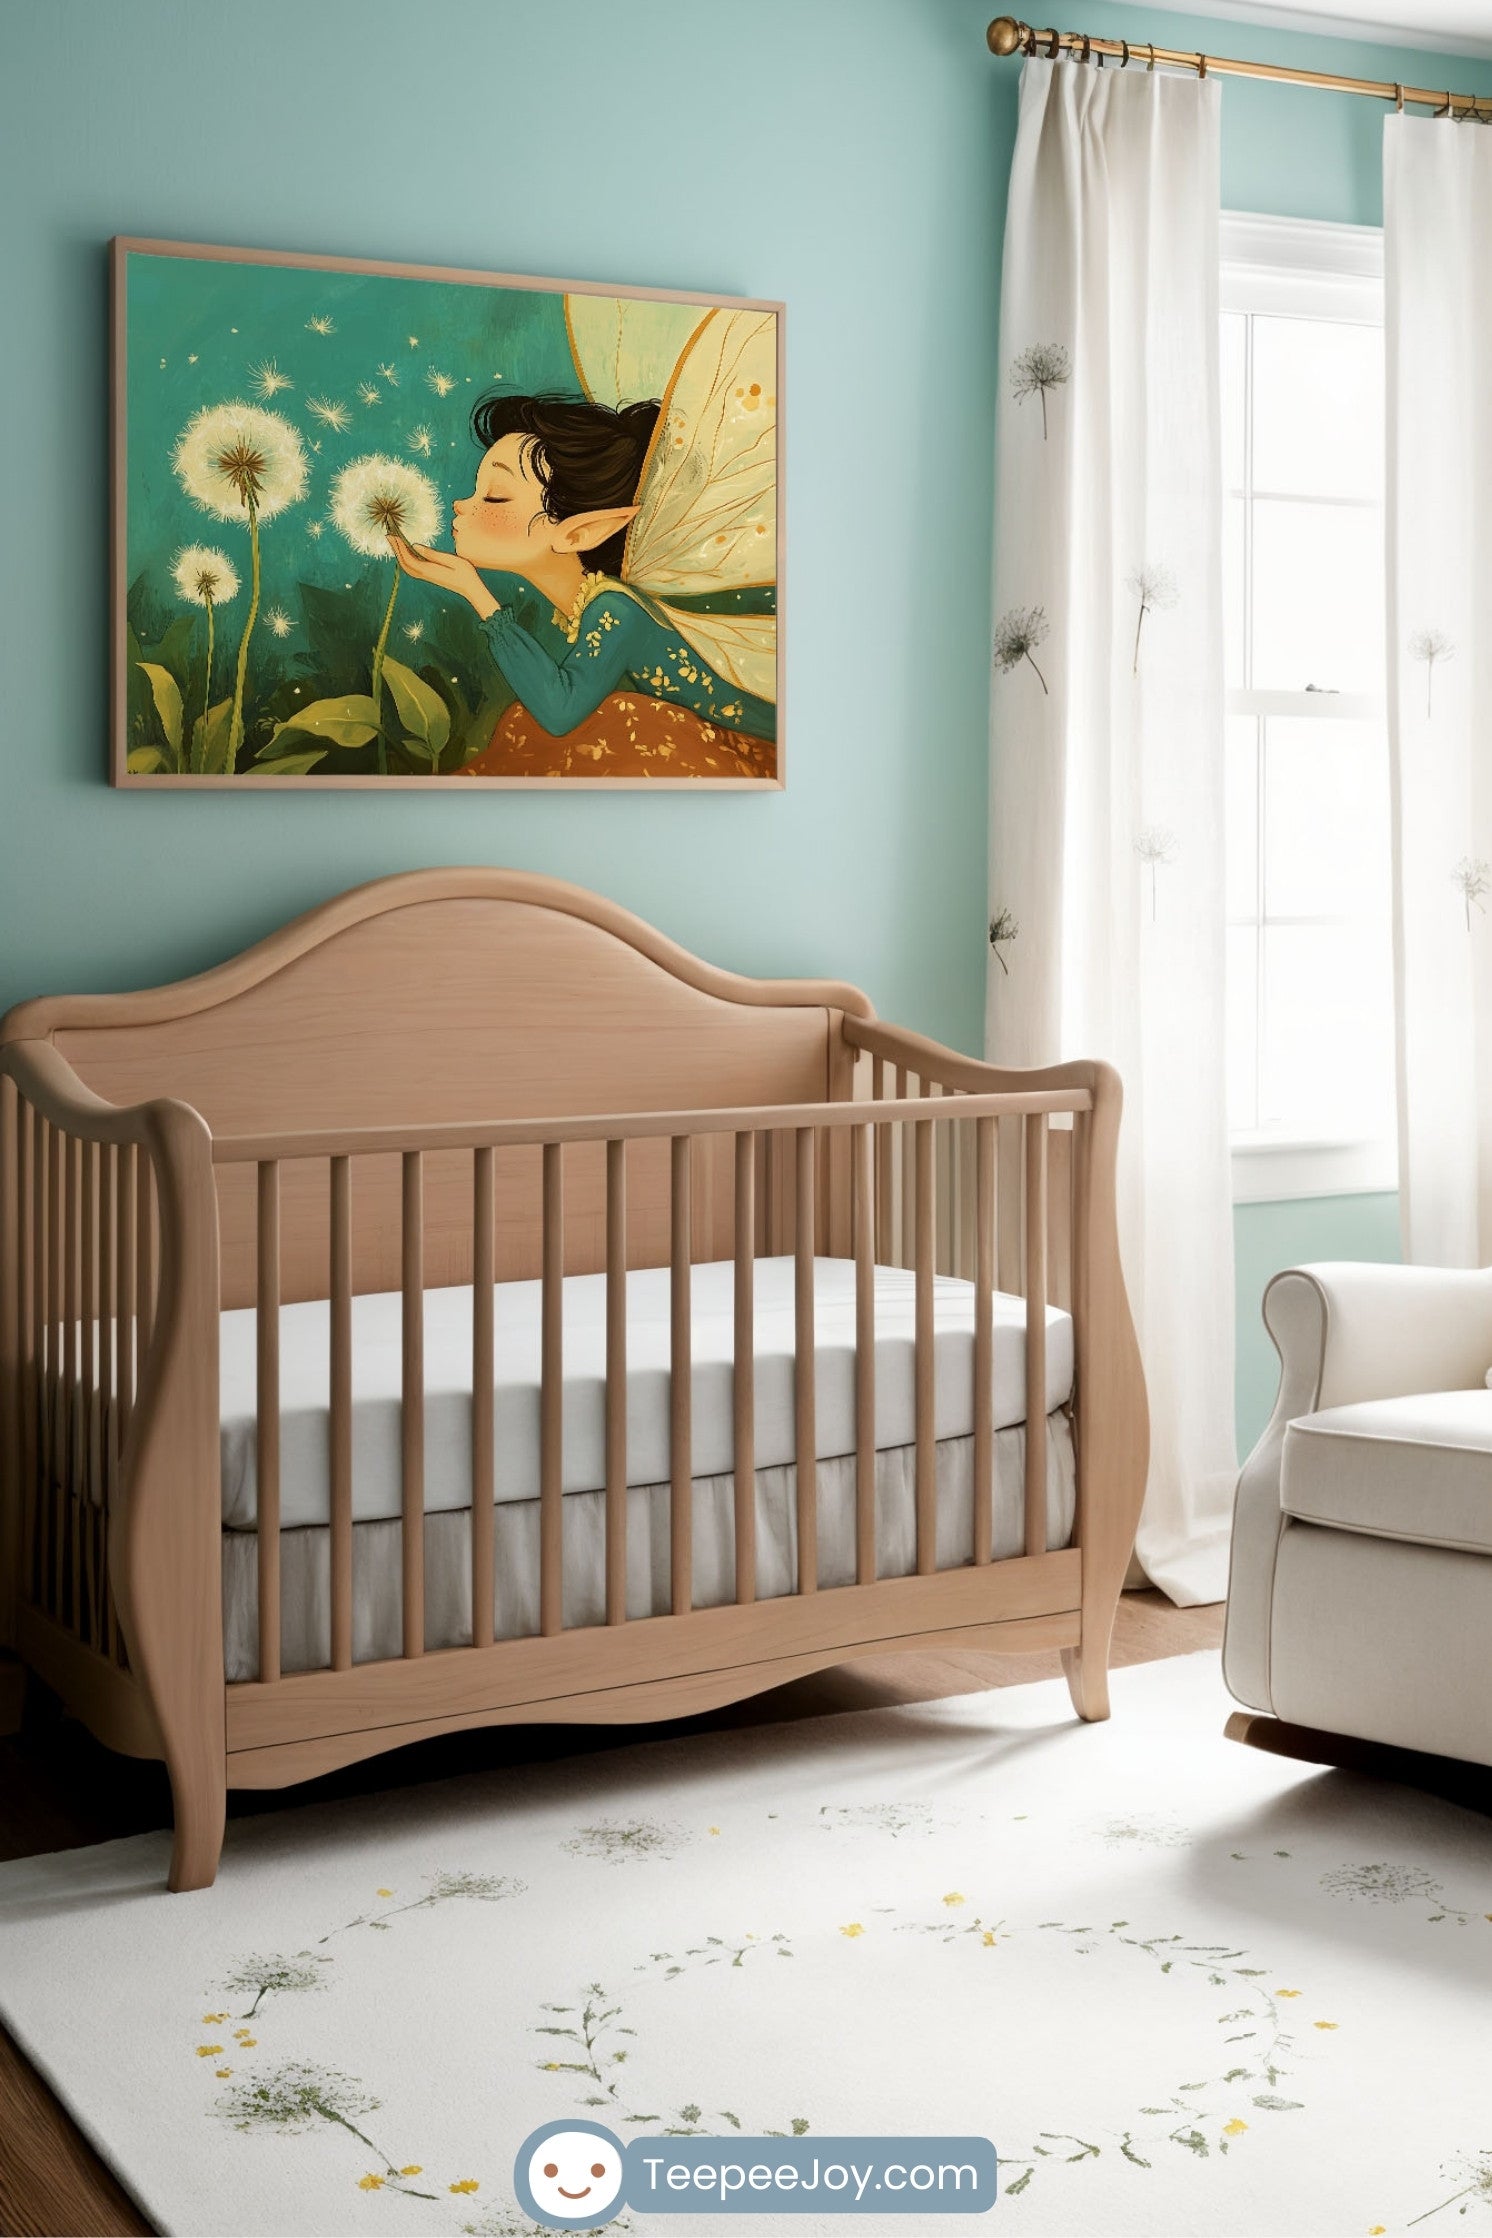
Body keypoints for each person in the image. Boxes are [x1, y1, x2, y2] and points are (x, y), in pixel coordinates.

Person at [390, 391, 777, 779]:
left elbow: (560, 711)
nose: (461, 504)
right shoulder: (596, 602)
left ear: (579, 533)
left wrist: (475, 591)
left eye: (494, 496)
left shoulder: (617, 609)